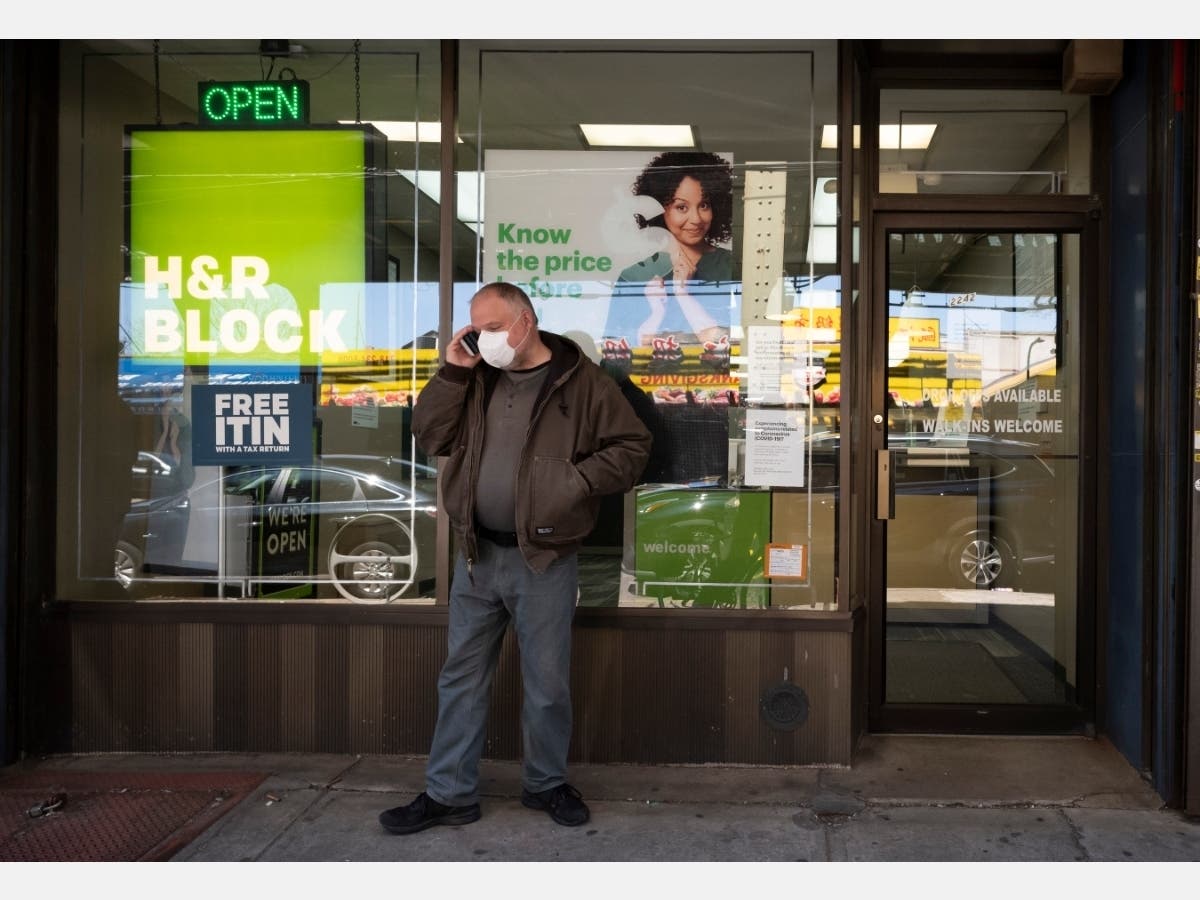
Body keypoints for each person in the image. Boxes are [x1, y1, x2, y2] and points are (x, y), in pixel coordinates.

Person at [379, 282, 652, 835]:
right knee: (460, 678)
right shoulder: (474, 377)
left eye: (495, 327)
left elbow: (632, 448)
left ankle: (545, 784)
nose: (486, 338)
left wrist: (575, 481)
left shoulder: (584, 383)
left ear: (526, 321)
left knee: (547, 683)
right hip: (477, 556)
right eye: (478, 328)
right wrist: (452, 372)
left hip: (544, 559)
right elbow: (430, 435)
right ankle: (449, 793)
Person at [606, 150, 735, 348]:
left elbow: (739, 348)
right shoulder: (634, 277)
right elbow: (614, 358)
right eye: (681, 207)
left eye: (704, 205)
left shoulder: (733, 267)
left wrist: (683, 295)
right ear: (659, 208)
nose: (696, 219)